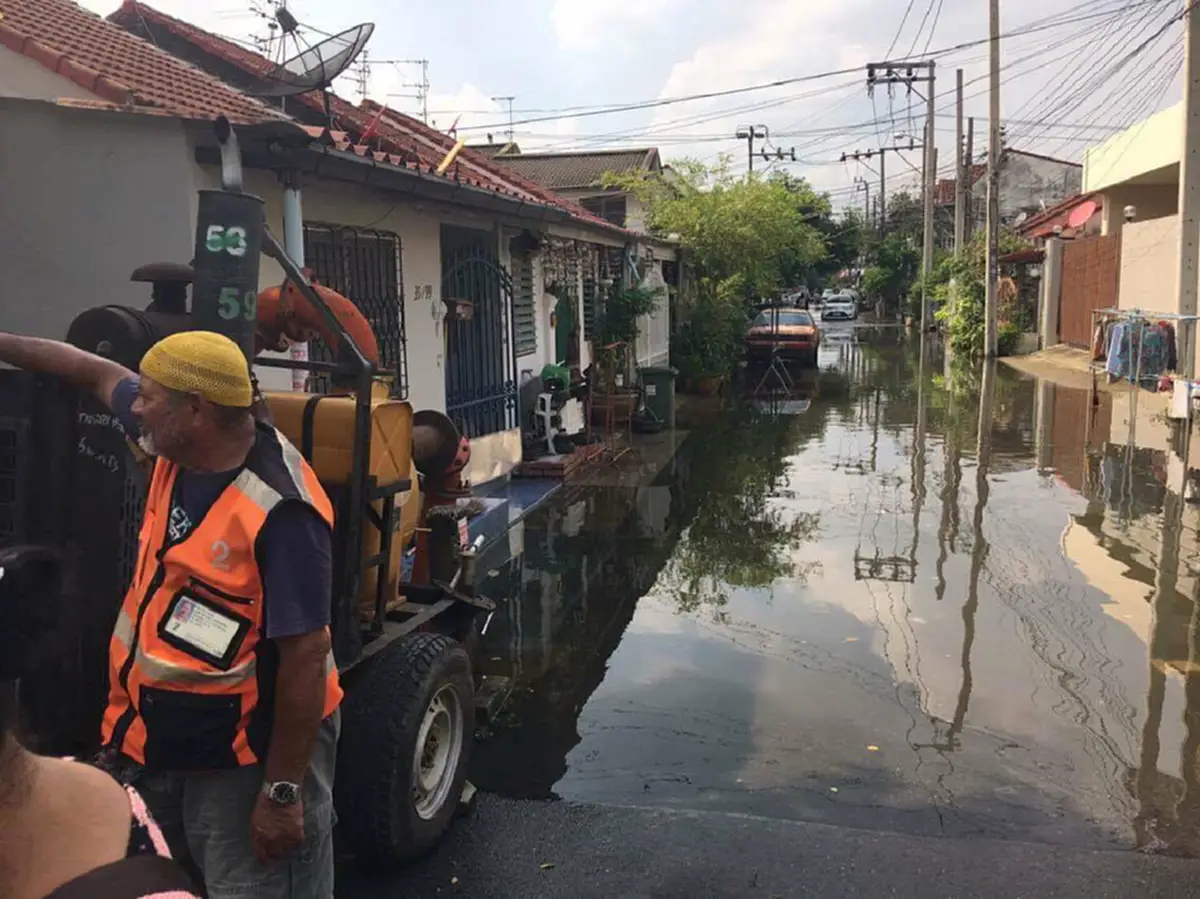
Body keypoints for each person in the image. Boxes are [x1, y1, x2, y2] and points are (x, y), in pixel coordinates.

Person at [0, 329, 341, 899]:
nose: (134, 407)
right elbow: (93, 370)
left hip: (243, 761)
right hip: (158, 741)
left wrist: (281, 794)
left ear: (197, 410)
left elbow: (306, 658)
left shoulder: (284, 513)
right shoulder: (176, 440)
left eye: (148, 398)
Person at [0, 544, 201, 898]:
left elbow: (303, 651)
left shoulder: (274, 509)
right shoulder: (120, 821)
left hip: (226, 751)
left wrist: (281, 788)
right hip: (147, 741)